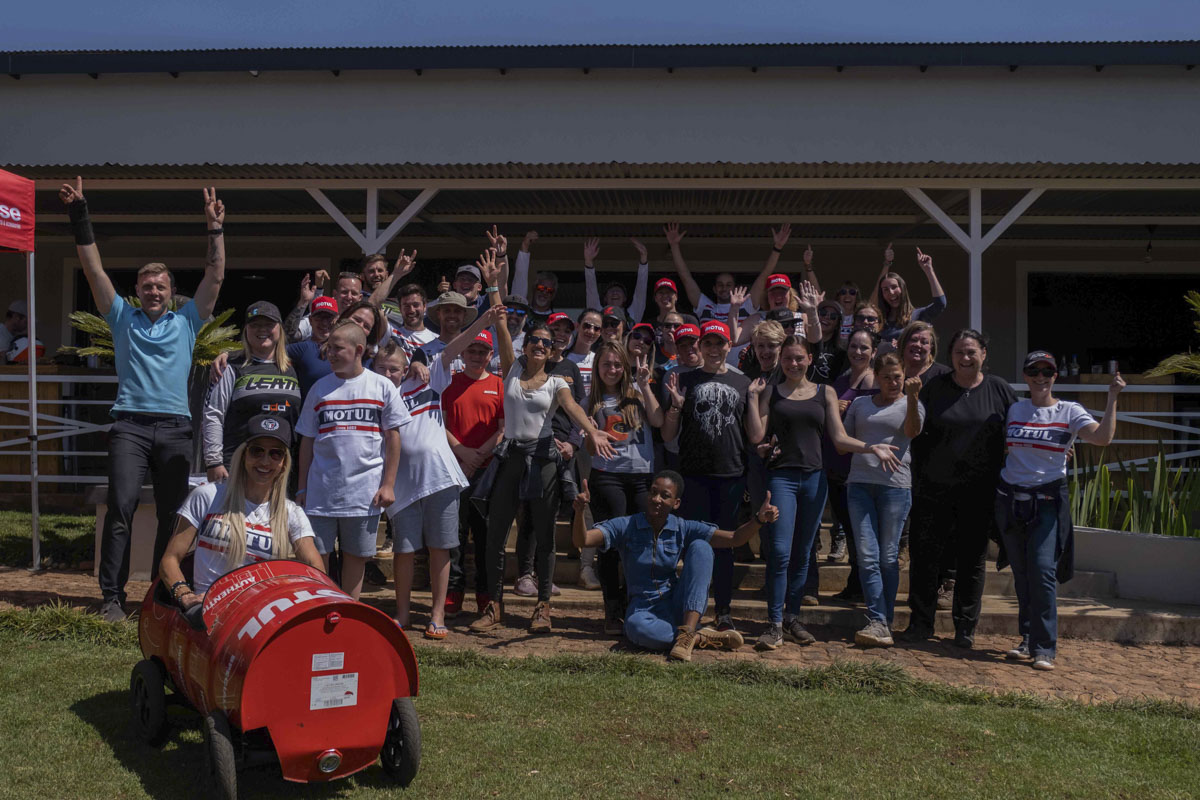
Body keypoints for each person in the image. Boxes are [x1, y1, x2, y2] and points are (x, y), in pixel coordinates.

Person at [60, 178, 227, 623]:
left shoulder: (189, 320)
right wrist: (81, 214)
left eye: (161, 286)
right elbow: (94, 269)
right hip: (130, 427)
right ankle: (112, 598)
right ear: (138, 290)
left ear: (171, 291)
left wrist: (215, 229)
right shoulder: (120, 316)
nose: (154, 291)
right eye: (147, 285)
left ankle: (159, 594)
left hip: (175, 427)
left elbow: (215, 275)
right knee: (122, 508)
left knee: (174, 517)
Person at [468, 251, 616, 634]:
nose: (537, 344)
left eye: (545, 342)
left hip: (545, 461)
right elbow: (501, 321)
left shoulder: (557, 381)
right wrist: (493, 284)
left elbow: (572, 408)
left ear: (553, 351)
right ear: (525, 345)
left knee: (546, 536)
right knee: (496, 534)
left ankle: (543, 607)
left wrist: (592, 431)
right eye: (533, 339)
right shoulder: (513, 369)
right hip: (511, 457)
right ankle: (494, 606)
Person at [744, 336, 901, 650]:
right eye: (788, 358)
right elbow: (757, 435)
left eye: (799, 358)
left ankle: (791, 618)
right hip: (782, 479)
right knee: (779, 552)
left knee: (803, 554)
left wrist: (871, 447)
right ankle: (773, 623)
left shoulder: (825, 392)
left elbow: (840, 439)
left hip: (815, 480)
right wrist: (751, 399)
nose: (793, 364)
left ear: (810, 359)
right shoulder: (771, 392)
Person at [996, 352, 1124, 671]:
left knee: (1042, 570)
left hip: (1048, 501)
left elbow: (1102, 438)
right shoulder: (1014, 409)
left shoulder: (1069, 411)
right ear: (1025, 375)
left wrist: (1112, 398)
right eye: (1033, 370)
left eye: (1047, 371)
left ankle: (1044, 648)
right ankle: (1027, 639)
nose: (1040, 376)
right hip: (1011, 499)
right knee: (1022, 573)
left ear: (1055, 376)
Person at [572, 471, 779, 661]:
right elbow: (583, 541)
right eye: (653, 493)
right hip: (644, 608)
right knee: (635, 628)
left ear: (676, 502)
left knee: (701, 547)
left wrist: (759, 520)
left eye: (664, 495)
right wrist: (580, 512)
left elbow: (735, 538)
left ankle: (687, 632)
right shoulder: (627, 526)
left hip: (677, 602)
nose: (656, 499)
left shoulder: (682, 527)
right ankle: (696, 637)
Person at [374, 323, 496, 638]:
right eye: (383, 369)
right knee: (404, 550)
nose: (389, 374)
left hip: (440, 476)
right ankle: (402, 614)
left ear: (406, 369)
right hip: (401, 484)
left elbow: (452, 349)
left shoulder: (427, 382)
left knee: (441, 547)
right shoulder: (375, 397)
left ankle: (437, 615)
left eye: (395, 369)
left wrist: (484, 319)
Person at [902, 329, 1018, 648]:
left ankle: (965, 627)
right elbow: (912, 430)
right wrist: (911, 398)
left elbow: (1021, 431)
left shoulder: (1000, 390)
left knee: (971, 561)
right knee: (925, 558)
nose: (965, 358)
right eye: (958, 353)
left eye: (971, 352)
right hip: (932, 489)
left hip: (978, 493)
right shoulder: (933, 387)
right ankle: (920, 623)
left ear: (984, 354)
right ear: (949, 356)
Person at [160, 416, 324, 617]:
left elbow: (316, 570)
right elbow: (170, 558)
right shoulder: (207, 496)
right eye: (257, 451)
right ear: (243, 455)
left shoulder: (292, 513)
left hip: (260, 616)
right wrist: (186, 597)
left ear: (283, 463)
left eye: (275, 454)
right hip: (208, 611)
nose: (265, 461)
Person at [296, 322, 404, 601]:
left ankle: (348, 610)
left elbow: (393, 438)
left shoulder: (381, 386)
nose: (330, 353)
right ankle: (320, 607)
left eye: (337, 348)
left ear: (358, 350)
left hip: (364, 493)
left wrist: (388, 484)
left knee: (355, 558)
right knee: (317, 557)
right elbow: (307, 440)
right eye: (328, 348)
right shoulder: (319, 389)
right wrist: (301, 488)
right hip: (321, 491)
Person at [660, 320, 749, 633]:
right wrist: (675, 406)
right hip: (694, 473)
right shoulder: (683, 380)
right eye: (707, 343)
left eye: (719, 344)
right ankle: (688, 611)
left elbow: (749, 431)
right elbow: (668, 433)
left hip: (731, 473)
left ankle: (723, 611)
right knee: (693, 545)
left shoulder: (743, 383)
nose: (713, 349)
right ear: (699, 346)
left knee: (725, 546)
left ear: (728, 347)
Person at [843, 352, 925, 648]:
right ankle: (879, 621)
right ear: (876, 377)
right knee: (867, 555)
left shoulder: (910, 403)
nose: (893, 383)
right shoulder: (860, 405)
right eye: (887, 377)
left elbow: (912, 431)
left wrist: (913, 398)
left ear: (905, 377)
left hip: (895, 487)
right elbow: (844, 442)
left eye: (898, 377)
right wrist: (868, 446)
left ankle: (882, 621)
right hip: (860, 485)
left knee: (888, 556)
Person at [586, 341, 664, 634]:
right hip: (607, 476)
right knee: (610, 543)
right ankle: (612, 610)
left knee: (642, 544)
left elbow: (657, 420)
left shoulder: (637, 393)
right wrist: (588, 434)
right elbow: (584, 444)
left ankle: (637, 606)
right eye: (606, 364)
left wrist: (644, 386)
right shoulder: (591, 400)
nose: (612, 370)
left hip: (642, 477)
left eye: (618, 365)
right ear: (598, 367)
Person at [442, 327, 506, 618]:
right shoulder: (450, 384)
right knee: (454, 535)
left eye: (483, 351)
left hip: (486, 469)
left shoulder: (499, 384)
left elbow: (504, 428)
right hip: (455, 467)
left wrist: (481, 452)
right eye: (472, 351)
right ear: (463, 353)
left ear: (491, 355)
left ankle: (485, 594)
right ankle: (453, 591)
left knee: (484, 537)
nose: (477, 356)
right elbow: (439, 424)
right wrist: (463, 452)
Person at [202, 301, 300, 482]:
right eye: (255, 325)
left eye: (269, 324)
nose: (262, 329)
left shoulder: (294, 367)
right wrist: (213, 461)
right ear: (246, 330)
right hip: (237, 465)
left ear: (280, 328)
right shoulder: (230, 366)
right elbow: (213, 414)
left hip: (282, 467)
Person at [825, 329, 880, 601]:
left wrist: (847, 410)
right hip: (837, 464)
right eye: (854, 346)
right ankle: (855, 583)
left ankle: (864, 585)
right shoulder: (841, 379)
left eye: (864, 347)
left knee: (864, 530)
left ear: (874, 352)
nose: (858, 352)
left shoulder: (876, 382)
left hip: (863, 466)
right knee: (849, 526)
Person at [872, 246, 947, 347]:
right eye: (885, 290)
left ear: (902, 289)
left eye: (894, 287)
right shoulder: (880, 321)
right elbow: (870, 304)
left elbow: (940, 304)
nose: (891, 292)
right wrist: (886, 264)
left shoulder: (917, 316)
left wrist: (929, 270)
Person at [583, 237, 649, 323]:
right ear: (605, 298)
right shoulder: (598, 314)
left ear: (625, 298)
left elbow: (641, 290)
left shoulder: (633, 315)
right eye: (611, 291)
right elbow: (591, 291)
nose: (615, 293)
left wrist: (644, 259)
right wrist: (588, 261)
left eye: (618, 291)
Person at [286, 270, 365, 342]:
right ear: (335, 294)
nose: (349, 297)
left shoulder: (365, 322)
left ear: (360, 298)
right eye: (344, 292)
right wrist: (303, 302)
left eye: (354, 293)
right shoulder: (319, 318)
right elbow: (288, 335)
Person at [420, 291, 476, 374]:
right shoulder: (424, 352)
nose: (452, 315)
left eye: (457, 311)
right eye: (447, 311)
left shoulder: (475, 351)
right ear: (439, 314)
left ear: (464, 315)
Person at [509, 231, 557, 323]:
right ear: (534, 288)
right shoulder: (521, 313)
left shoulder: (557, 321)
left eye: (549, 290)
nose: (544, 292)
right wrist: (524, 248)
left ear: (553, 295)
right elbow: (520, 280)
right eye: (541, 288)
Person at [899, 320, 951, 385]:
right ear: (904, 343)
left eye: (924, 342)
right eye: (913, 340)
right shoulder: (891, 372)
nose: (918, 344)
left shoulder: (944, 375)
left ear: (931, 347)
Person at [566, 308, 604, 395]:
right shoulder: (564, 357)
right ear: (577, 326)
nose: (591, 331)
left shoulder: (599, 359)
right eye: (587, 326)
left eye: (596, 328)